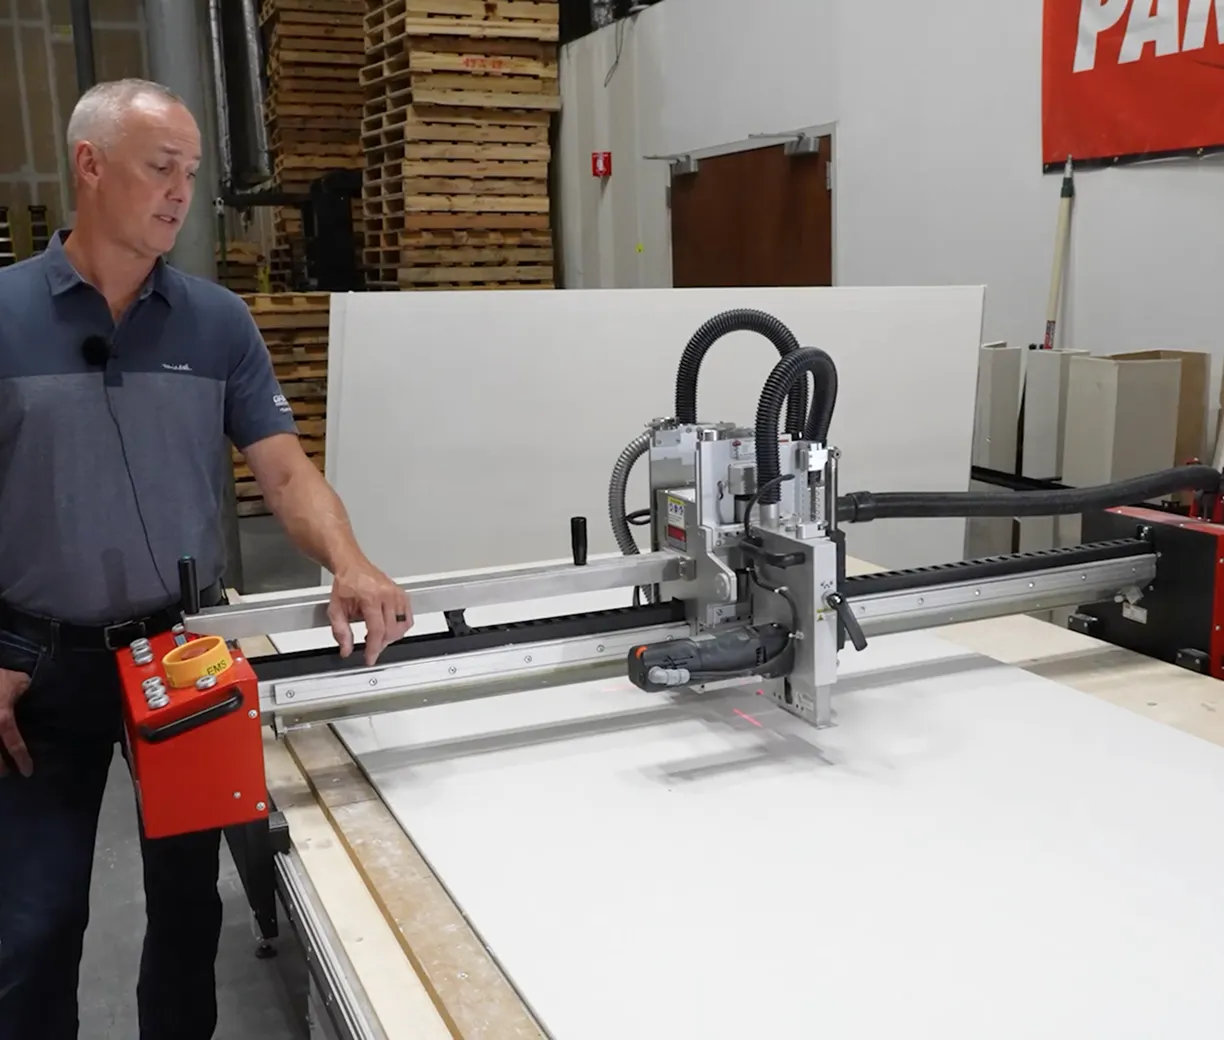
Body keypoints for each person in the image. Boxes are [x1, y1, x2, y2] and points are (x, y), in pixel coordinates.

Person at [0, 78, 414, 1039]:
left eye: (190, 171)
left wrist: (349, 561)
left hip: (181, 656)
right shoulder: (6, 312)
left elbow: (286, 473)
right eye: (161, 167)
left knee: (189, 913)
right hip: (33, 669)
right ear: (90, 164)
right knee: (33, 929)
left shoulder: (217, 322)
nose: (181, 192)